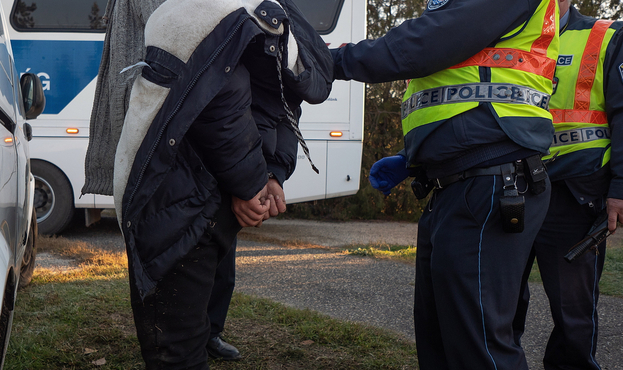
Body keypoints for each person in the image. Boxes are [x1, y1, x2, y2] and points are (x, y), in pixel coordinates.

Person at [331, 0, 559, 368]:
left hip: (490, 183)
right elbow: (458, 85)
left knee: (479, 347)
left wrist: (337, 60)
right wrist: (417, 156)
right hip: (459, 184)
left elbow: (428, 43)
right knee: (440, 341)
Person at [83, 0, 315, 360]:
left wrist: (257, 178)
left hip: (190, 178)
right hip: (203, 174)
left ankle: (203, 336)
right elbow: (279, 98)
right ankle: (200, 336)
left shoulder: (220, 12)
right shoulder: (263, 11)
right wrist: (263, 175)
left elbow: (233, 94)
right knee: (188, 294)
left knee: (177, 332)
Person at [512, 1, 623, 369]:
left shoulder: (605, 36)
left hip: (574, 194)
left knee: (573, 318)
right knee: (499, 304)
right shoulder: (507, 36)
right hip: (512, 185)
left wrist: (620, 188)